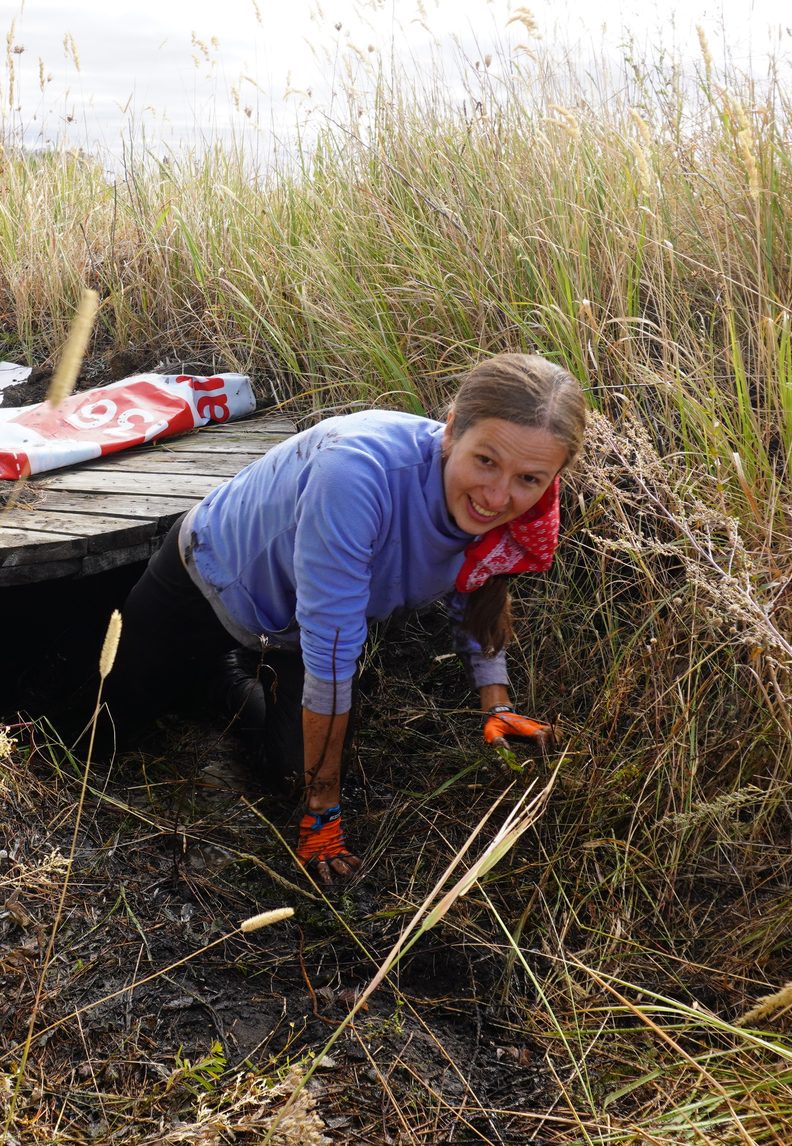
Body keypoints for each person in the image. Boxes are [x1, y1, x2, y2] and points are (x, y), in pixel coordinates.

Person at [105, 352, 586, 882]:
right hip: (207, 582)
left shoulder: (526, 501)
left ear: (552, 477)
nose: (498, 497)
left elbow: (477, 588)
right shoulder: (356, 473)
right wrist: (324, 814)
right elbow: (333, 659)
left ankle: (222, 678)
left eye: (529, 479)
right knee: (109, 725)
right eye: (486, 461)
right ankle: (197, 664)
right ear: (451, 432)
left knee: (291, 773)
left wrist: (496, 701)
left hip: (290, 633)